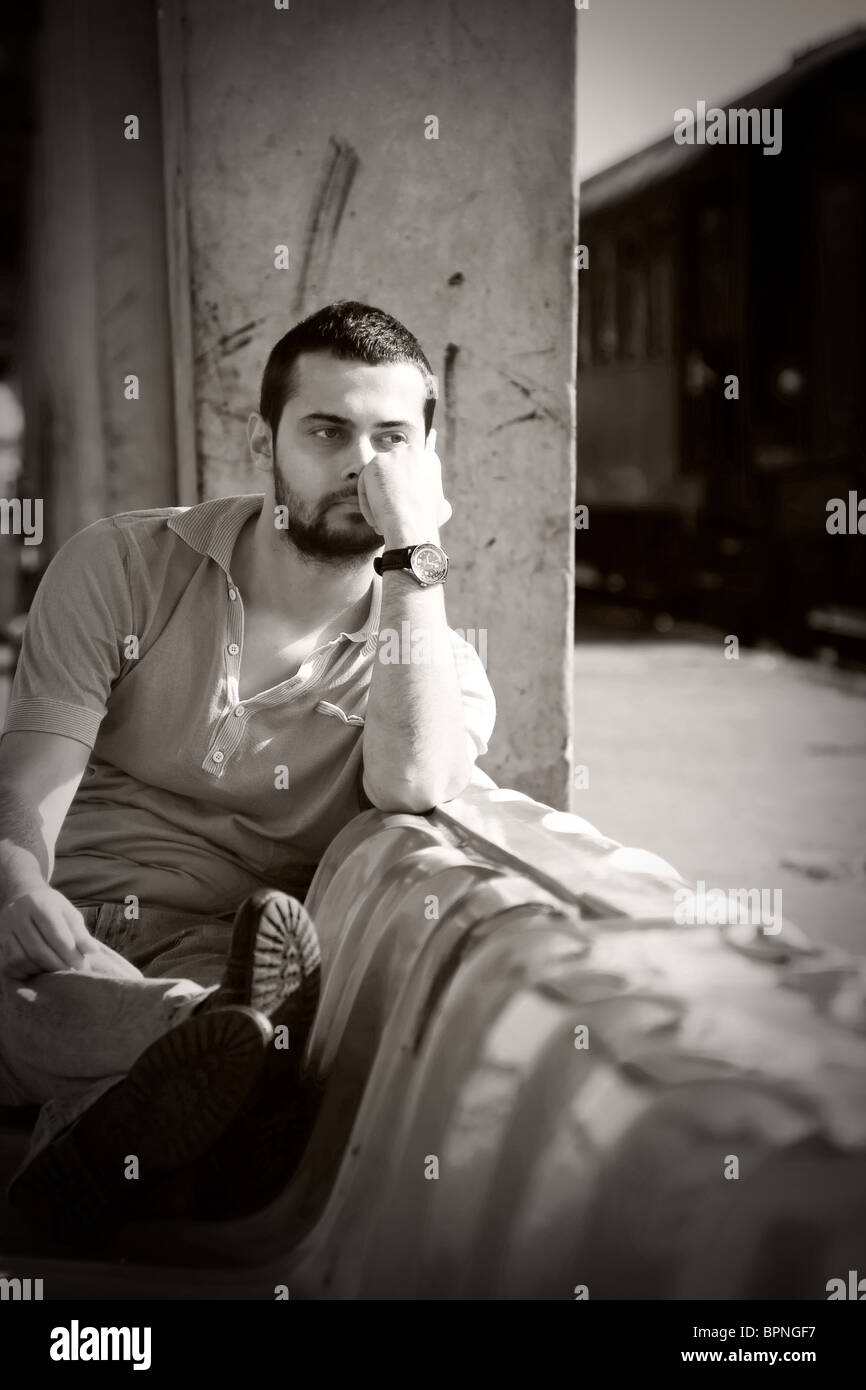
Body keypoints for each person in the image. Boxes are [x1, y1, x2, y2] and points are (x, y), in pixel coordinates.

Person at [0, 301, 496, 1245]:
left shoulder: (434, 665)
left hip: (223, 951)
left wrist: (414, 560)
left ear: (427, 461)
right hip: (57, 921)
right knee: (44, 987)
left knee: (204, 1027)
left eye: (392, 438)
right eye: (327, 430)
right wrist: (19, 883)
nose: (360, 463)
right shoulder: (123, 566)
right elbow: (27, 783)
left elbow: (411, 783)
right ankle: (225, 1065)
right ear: (262, 436)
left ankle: (145, 1108)